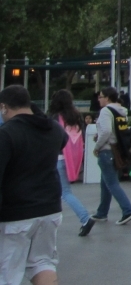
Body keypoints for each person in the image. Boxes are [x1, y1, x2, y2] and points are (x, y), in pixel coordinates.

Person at [0, 85, 72, 285]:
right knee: (42, 262)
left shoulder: (7, 134)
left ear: (5, 107)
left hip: (16, 213)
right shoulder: (52, 128)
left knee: (6, 278)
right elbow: (62, 141)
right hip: (49, 209)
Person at [46, 90, 94, 237]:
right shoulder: (75, 117)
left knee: (64, 193)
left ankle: (85, 218)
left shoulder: (54, 118)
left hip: (57, 158)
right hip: (71, 158)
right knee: (55, 192)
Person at [92, 87, 131, 226]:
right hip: (117, 151)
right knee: (106, 182)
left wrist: (97, 146)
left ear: (108, 98)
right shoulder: (121, 110)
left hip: (106, 150)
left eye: (101, 97)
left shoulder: (106, 111)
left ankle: (128, 210)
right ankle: (102, 212)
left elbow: (106, 131)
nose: (99, 99)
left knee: (111, 183)